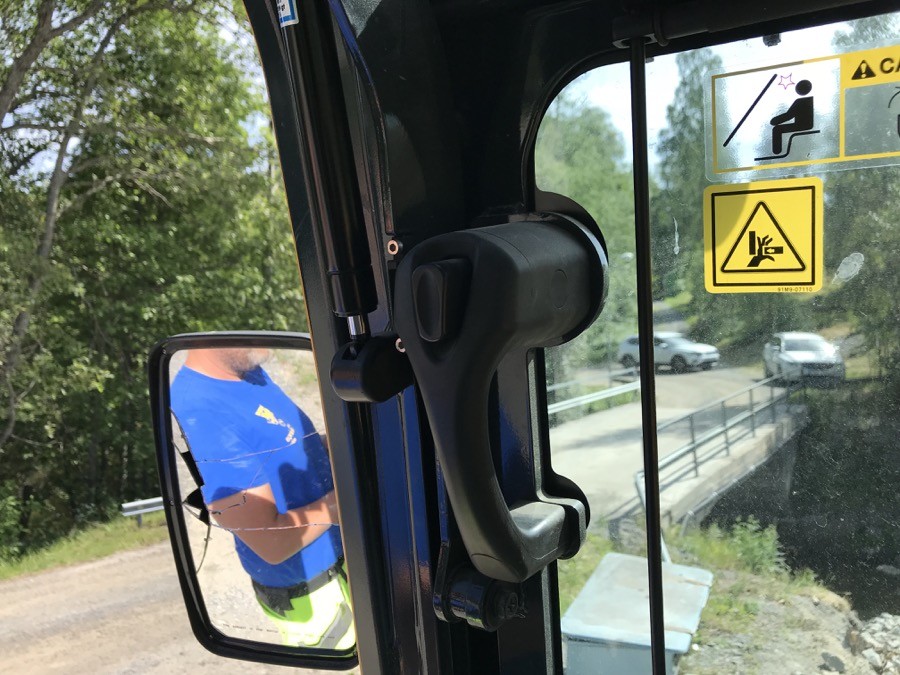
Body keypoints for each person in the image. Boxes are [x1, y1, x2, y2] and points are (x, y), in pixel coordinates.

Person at [170, 347, 354, 650]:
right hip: (313, 597)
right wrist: (349, 498)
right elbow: (271, 542)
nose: (262, 338)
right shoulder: (201, 410)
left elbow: (287, 444)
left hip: (342, 562)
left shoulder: (247, 371)